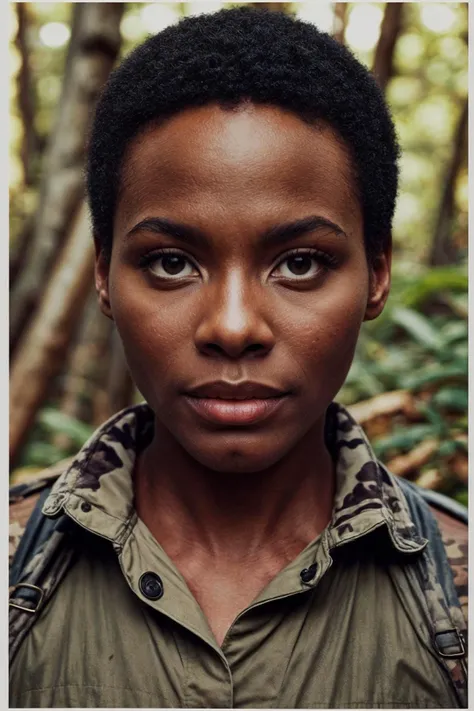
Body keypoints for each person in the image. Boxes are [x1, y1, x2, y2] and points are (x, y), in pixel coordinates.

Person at [9, 7, 468, 708]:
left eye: (301, 263)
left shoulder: (458, 598)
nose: (232, 325)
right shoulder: (14, 564)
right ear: (104, 276)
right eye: (169, 262)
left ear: (377, 275)